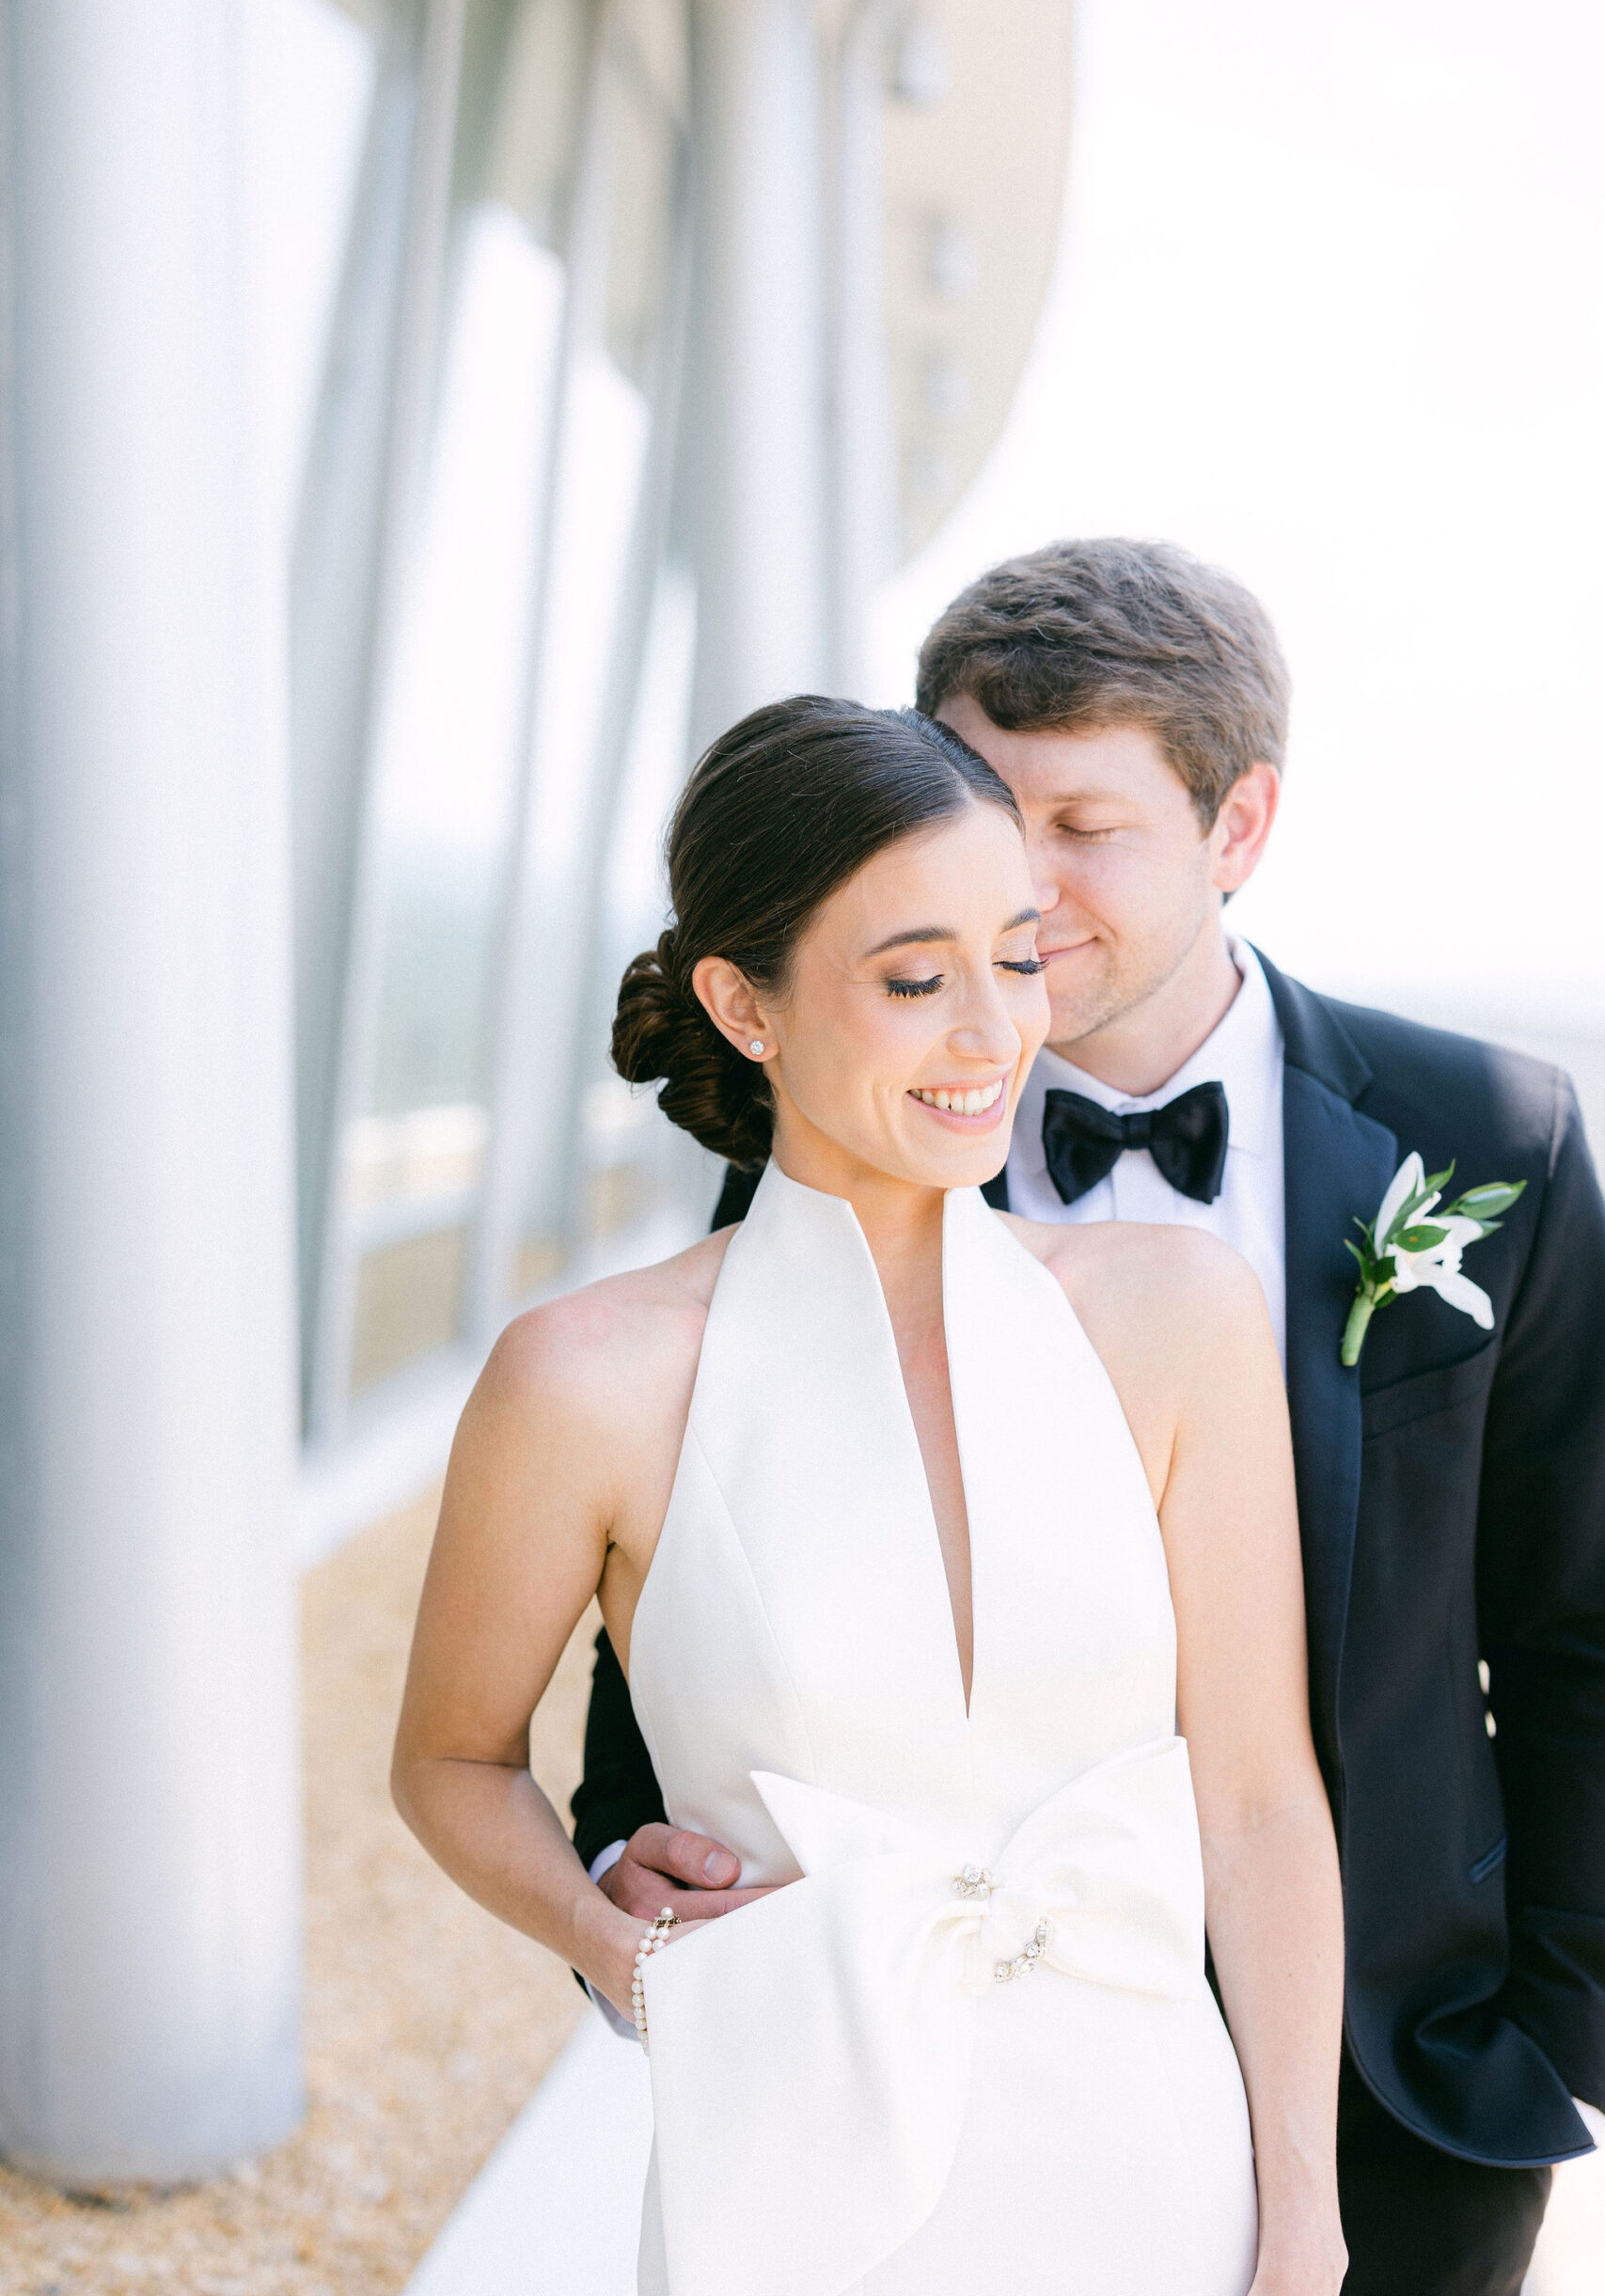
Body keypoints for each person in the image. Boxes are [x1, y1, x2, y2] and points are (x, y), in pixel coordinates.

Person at [576, 542, 1605, 2296]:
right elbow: (693, 1558)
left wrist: (1553, 2022)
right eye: (986, 808)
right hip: (934, 2081)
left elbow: (1579, 1619)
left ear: (1240, 826)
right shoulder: (846, 1133)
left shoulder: (1491, 1136)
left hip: (1392, 2071)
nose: (1023, 889)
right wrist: (622, 1863)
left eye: (1086, 825)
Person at [393, 696, 1346, 2296]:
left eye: (1018, 956)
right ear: (743, 1005)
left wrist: (1302, 2220)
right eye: (916, 980)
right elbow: (448, 1763)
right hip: (792, 2187)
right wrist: (605, 1937)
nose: (995, 1034)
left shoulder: (1176, 1315)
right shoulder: (585, 1381)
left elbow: (1256, 1801)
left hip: (1158, 2167)